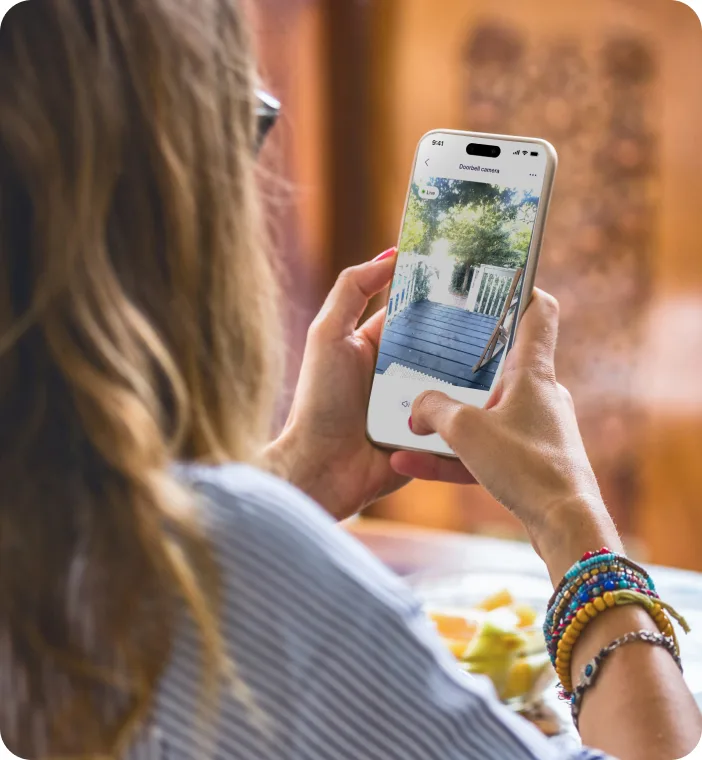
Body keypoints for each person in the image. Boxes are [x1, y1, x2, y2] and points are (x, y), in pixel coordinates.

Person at [0, 1, 699, 759]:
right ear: (168, 192)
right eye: (247, 122)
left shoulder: (47, 523)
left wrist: (302, 473)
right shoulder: (248, 560)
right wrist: (570, 514)